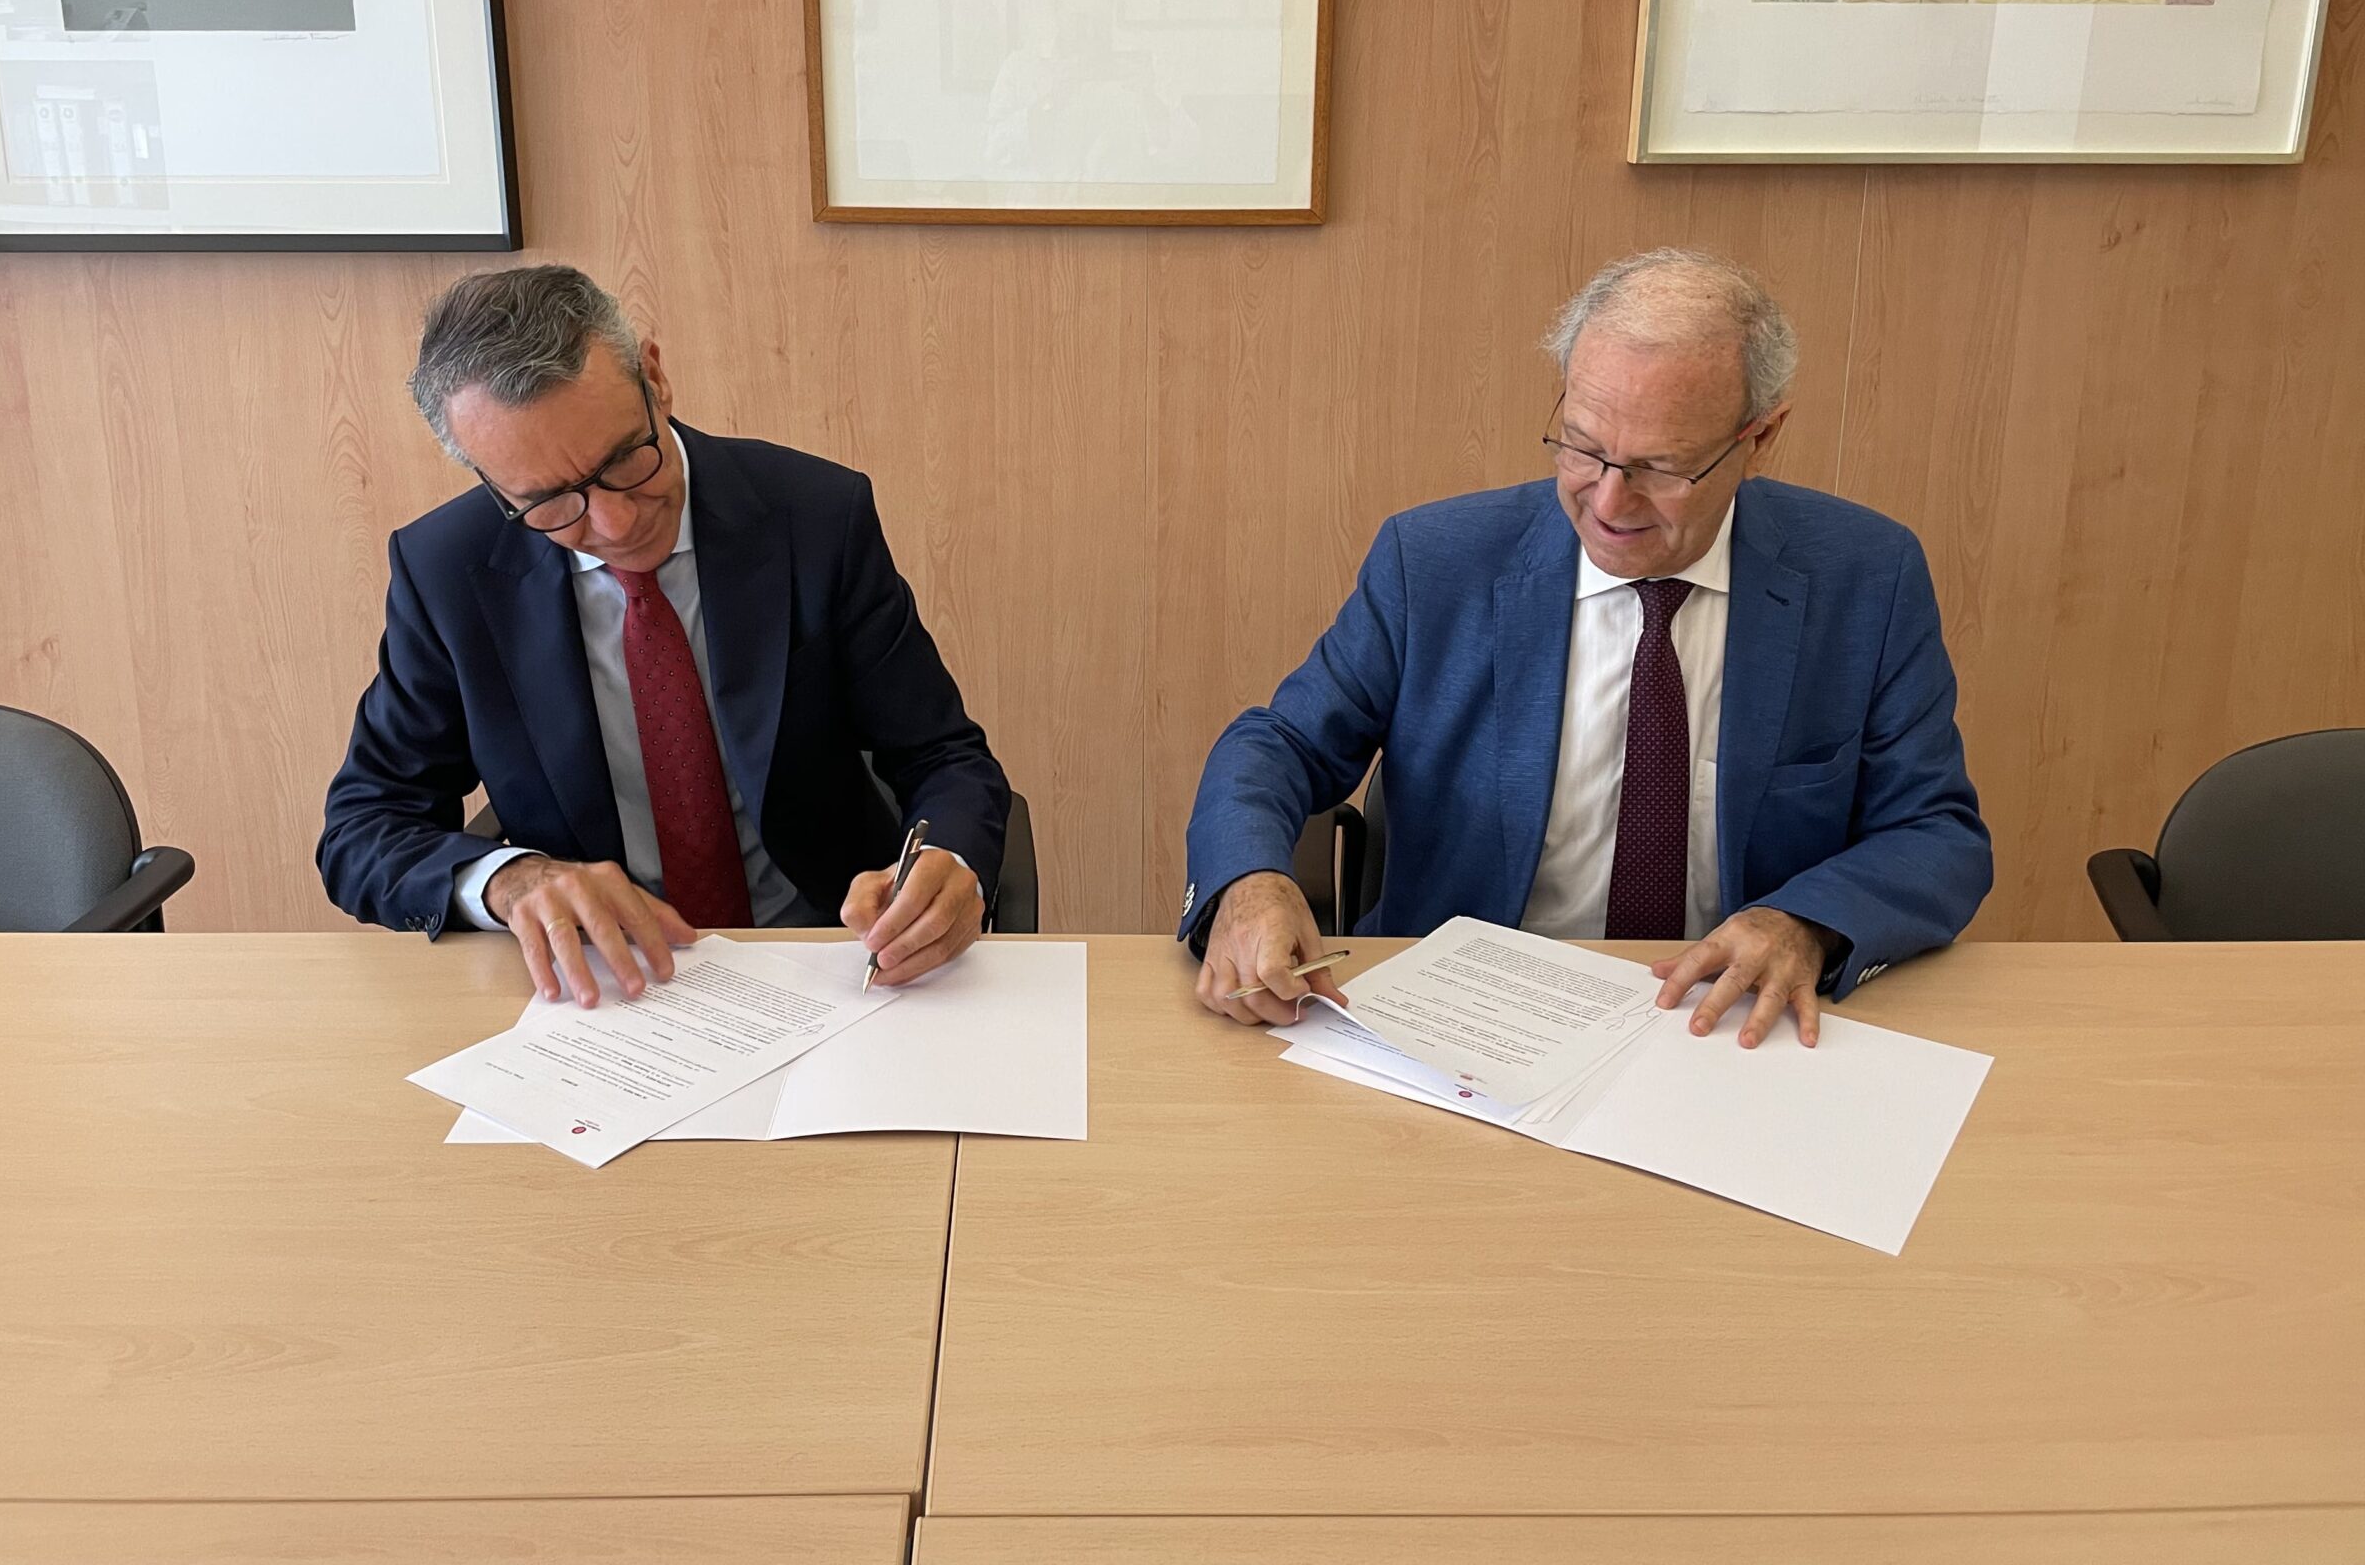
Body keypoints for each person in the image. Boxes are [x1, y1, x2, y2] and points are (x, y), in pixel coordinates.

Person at [1181, 249, 1992, 1048]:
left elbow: (1935, 831)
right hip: (1463, 1023)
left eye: (1660, 467)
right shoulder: (1434, 563)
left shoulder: (1865, 577)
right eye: (1581, 446)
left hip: (1726, 1024)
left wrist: (1805, 923)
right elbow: (1279, 745)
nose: (1607, 501)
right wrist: (1249, 881)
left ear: (1760, 438)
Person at [319, 265, 1010, 1006]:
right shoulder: (446, 572)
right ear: (493, 485)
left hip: (828, 961)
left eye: (624, 459)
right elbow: (364, 826)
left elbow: (943, 755)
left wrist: (951, 860)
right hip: (609, 987)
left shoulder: (815, 517)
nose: (615, 524)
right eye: (550, 502)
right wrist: (510, 881)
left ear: (654, 377)